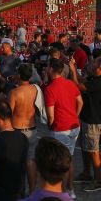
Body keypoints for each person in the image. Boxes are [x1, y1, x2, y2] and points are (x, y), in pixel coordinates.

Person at [45, 58, 83, 199]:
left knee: (60, 162)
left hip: (60, 128)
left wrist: (49, 125)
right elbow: (80, 102)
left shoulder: (50, 89)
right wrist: (75, 115)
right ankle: (70, 189)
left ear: (51, 69)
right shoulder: (70, 84)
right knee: (69, 159)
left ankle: (62, 191)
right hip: (73, 126)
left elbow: (50, 116)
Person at [70, 57, 101, 191]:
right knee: (85, 147)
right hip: (88, 118)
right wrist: (74, 67)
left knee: (93, 151)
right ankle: (86, 173)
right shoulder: (94, 80)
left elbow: (79, 86)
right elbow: (83, 81)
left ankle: (98, 180)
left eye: (95, 65)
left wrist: (72, 71)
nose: (92, 66)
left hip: (93, 121)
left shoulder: (98, 82)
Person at [8, 64, 38, 194]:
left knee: (16, 162)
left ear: (19, 75)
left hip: (17, 130)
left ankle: (19, 192)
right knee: (30, 161)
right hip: (32, 128)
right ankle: (32, 192)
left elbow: (9, 113)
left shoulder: (14, 92)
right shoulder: (34, 90)